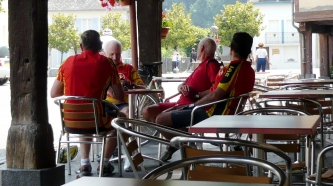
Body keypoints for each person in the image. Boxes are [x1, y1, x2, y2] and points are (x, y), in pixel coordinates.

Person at [158, 32, 256, 160]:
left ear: (231, 48)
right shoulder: (249, 70)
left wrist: (192, 106)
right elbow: (215, 90)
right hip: (229, 112)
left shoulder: (232, 69)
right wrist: (197, 95)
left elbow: (216, 95)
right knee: (170, 114)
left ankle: (188, 147)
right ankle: (188, 144)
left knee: (160, 119)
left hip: (213, 114)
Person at [50, 30, 125, 177]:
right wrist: (108, 85)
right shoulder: (107, 63)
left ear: (81, 46)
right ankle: (104, 163)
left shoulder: (67, 62)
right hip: (96, 120)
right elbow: (120, 96)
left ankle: (84, 164)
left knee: (85, 118)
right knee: (119, 122)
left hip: (70, 121)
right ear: (100, 46)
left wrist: (72, 103)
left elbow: (54, 94)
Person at [141, 38, 220, 123]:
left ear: (202, 48)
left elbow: (216, 90)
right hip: (179, 103)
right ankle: (178, 133)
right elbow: (181, 85)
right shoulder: (201, 65)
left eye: (197, 48)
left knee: (160, 119)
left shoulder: (211, 64)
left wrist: (197, 95)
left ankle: (176, 133)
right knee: (147, 111)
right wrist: (181, 87)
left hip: (190, 106)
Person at [103, 39, 145, 117]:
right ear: (105, 54)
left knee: (128, 112)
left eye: (118, 54)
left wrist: (130, 85)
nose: (115, 57)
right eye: (111, 54)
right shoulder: (101, 68)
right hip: (104, 103)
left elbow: (143, 88)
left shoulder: (129, 68)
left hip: (123, 104)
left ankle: (127, 128)